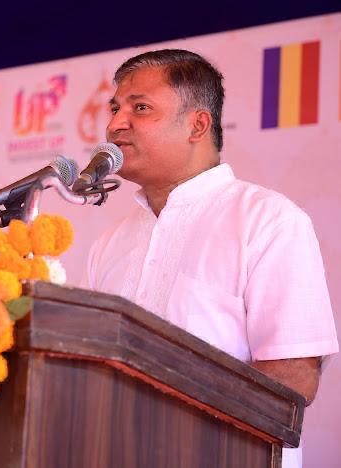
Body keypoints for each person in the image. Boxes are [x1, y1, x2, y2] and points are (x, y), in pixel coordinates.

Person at [82, 49, 338, 468]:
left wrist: (166, 428)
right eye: (115, 108)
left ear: (197, 125)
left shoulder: (268, 221)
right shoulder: (110, 242)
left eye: (140, 108)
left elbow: (293, 380)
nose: (115, 125)